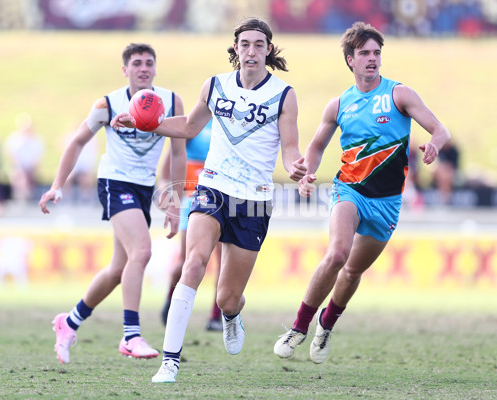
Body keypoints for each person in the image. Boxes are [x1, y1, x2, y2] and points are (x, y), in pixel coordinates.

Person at [111, 17, 307, 383]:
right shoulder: (215, 85)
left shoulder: (284, 94)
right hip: (213, 187)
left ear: (268, 50)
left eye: (259, 44)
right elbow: (187, 127)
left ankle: (232, 316)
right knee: (194, 262)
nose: (251, 50)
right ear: (235, 48)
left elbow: (290, 148)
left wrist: (298, 168)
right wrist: (143, 122)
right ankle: (169, 362)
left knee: (226, 298)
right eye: (245, 44)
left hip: (253, 200)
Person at [273, 21, 451, 364]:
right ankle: (298, 327)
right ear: (350, 60)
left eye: (377, 53)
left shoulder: (399, 94)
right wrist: (305, 174)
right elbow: (316, 147)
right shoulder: (338, 105)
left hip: (386, 203)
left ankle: (326, 324)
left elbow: (440, 129)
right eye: (365, 53)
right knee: (337, 254)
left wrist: (434, 145)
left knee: (353, 271)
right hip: (349, 190)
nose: (373, 59)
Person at [39, 43, 186, 364]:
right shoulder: (107, 104)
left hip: (144, 187)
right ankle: (131, 335)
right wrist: (56, 185)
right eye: (136, 63)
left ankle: (70, 321)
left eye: (149, 63)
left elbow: (178, 152)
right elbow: (78, 141)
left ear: (156, 69)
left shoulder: (172, 101)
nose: (144, 68)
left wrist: (175, 201)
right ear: (125, 70)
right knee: (143, 252)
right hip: (114, 182)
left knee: (119, 269)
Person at [158, 119, 223, 332]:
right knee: (188, 260)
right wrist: (167, 192)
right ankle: (171, 298)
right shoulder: (196, 124)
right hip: (193, 200)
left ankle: (216, 316)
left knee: (223, 263)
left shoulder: (234, 124)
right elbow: (167, 169)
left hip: (225, 200)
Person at [5, 112, 44, 202]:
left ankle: (29, 197)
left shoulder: (37, 140)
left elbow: (37, 158)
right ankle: (20, 198)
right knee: (19, 176)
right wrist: (19, 168)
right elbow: (12, 156)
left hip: (31, 167)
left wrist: (31, 167)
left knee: (30, 176)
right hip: (18, 167)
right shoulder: (14, 139)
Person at [433, 140, 460, 205]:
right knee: (441, 175)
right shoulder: (440, 150)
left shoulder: (454, 151)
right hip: (442, 172)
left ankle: (445, 196)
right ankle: (443, 195)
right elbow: (439, 163)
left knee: (446, 177)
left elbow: (453, 166)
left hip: (451, 172)